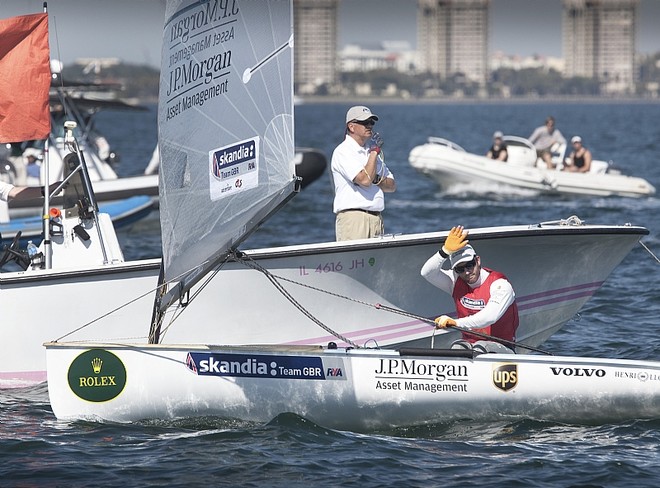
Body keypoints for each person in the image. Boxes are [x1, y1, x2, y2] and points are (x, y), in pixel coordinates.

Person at [420, 225, 519, 353]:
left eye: (469, 265)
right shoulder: (455, 281)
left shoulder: (500, 285)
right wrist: (444, 252)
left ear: (477, 261)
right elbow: (427, 273)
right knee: (458, 347)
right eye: (460, 269)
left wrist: (455, 323)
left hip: (501, 348)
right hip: (470, 345)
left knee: (481, 347)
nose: (466, 272)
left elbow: (489, 318)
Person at [331, 105, 396, 241]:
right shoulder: (343, 151)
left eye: (371, 122)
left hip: (376, 218)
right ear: (351, 127)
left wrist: (374, 177)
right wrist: (373, 153)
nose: (369, 126)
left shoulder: (373, 153)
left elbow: (391, 186)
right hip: (354, 219)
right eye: (364, 122)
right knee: (352, 262)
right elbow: (364, 180)